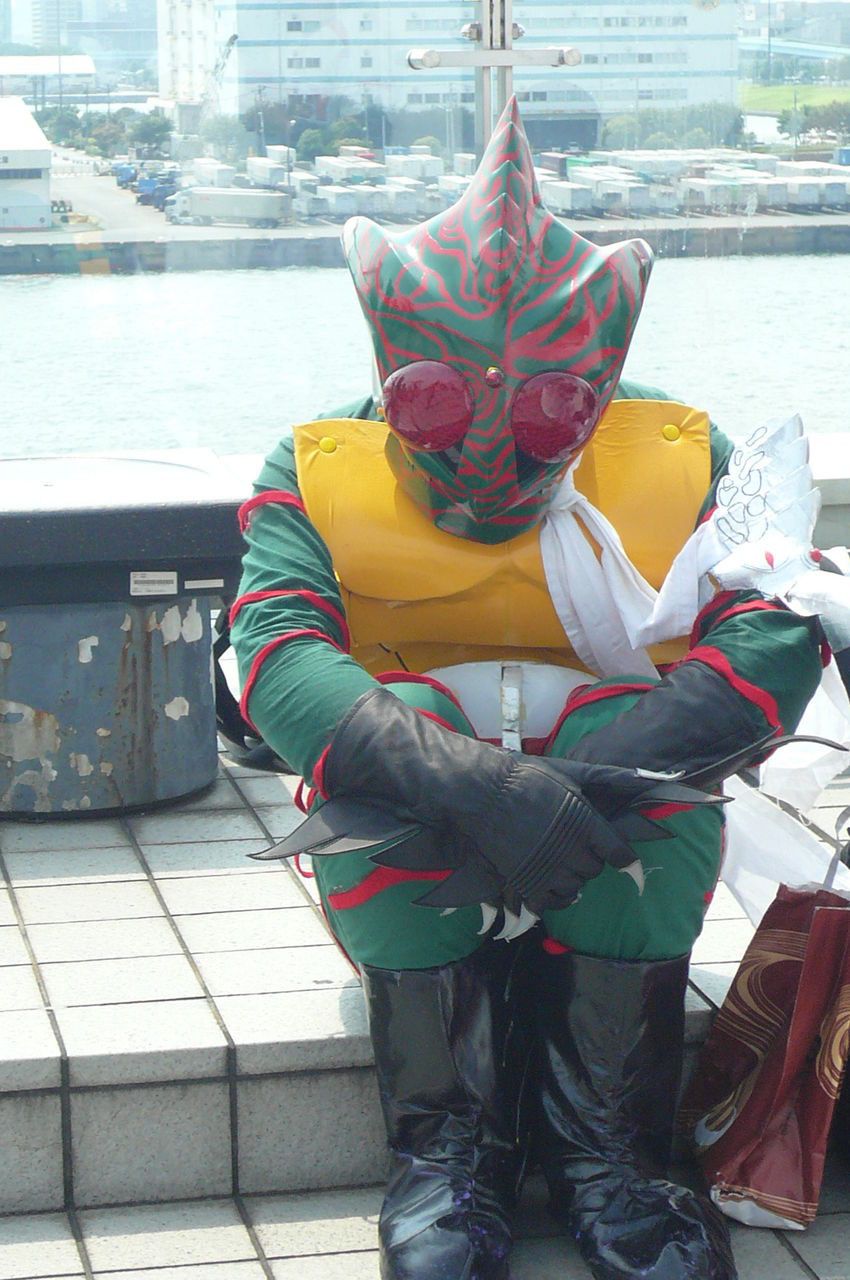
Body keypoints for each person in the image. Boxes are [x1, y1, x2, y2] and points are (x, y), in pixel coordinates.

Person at [231, 100, 825, 1280]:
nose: (491, 446)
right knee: (388, 743)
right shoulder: (315, 460)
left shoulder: (679, 451)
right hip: (420, 819)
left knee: (661, 768)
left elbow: (774, 616)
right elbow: (275, 647)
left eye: (553, 407)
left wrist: (602, 771)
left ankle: (610, 1146)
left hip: (609, 803)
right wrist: (464, 779)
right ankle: (447, 1144)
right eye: (435, 403)